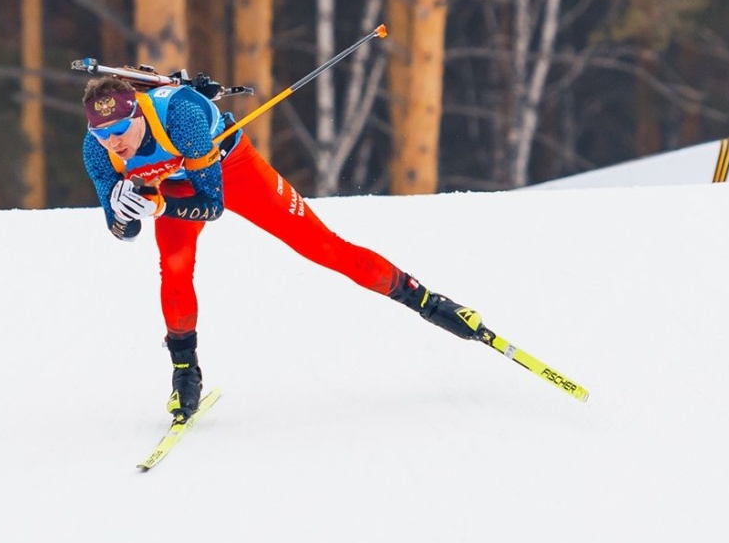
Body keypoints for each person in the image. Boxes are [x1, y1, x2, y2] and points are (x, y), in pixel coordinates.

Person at [80, 72, 487, 423]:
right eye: (101, 133)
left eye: (119, 130)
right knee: (175, 268)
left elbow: (212, 204)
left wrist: (160, 206)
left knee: (322, 246)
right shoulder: (97, 151)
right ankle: (185, 372)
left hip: (230, 168)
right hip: (171, 186)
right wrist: (126, 213)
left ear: (137, 114)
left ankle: (429, 302)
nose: (113, 142)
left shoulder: (181, 117)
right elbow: (122, 231)